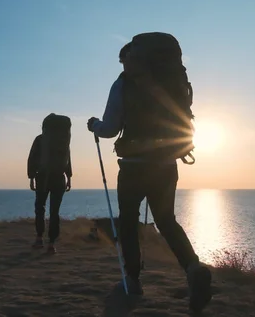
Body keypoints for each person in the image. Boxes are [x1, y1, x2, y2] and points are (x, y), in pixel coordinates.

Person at [87, 33, 212, 312]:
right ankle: (193, 267)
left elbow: (108, 129)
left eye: (124, 61)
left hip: (133, 166)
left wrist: (93, 124)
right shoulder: (174, 81)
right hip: (167, 164)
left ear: (130, 58)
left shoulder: (123, 84)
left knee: (129, 223)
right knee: (167, 221)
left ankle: (132, 280)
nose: (123, 66)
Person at [27, 113, 72, 254]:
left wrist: (31, 177)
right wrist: (69, 177)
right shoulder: (63, 141)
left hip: (43, 178)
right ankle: (51, 243)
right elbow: (68, 158)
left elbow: (32, 158)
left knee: (40, 207)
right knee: (54, 211)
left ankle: (39, 238)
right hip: (59, 178)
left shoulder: (40, 139)